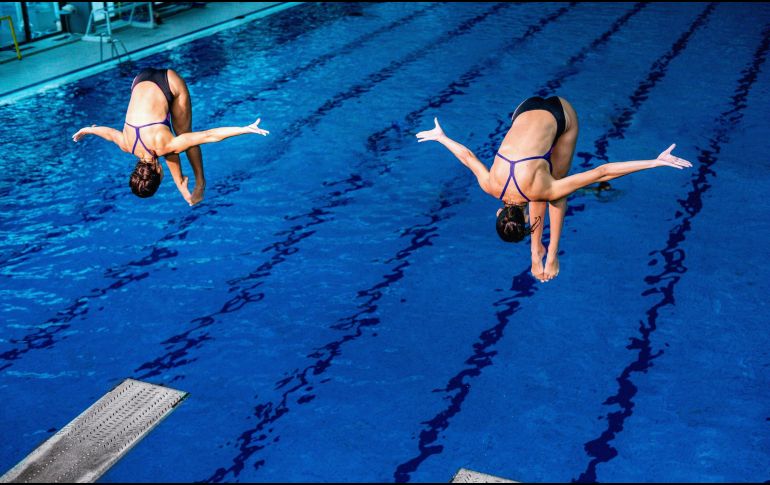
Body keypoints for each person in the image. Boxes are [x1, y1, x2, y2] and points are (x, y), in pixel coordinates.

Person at [415, 96, 691, 282]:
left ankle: (548, 252)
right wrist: (441, 137)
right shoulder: (490, 185)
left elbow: (601, 173)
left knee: (556, 188)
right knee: (547, 188)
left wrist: (655, 162)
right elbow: (467, 157)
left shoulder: (543, 191)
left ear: (525, 220)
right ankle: (538, 252)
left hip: (562, 115)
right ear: (498, 212)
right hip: (524, 109)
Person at [72, 67, 269, 205]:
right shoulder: (126, 145)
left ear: (158, 172)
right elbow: (107, 133)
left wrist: (245, 129)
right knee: (171, 146)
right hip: (140, 78)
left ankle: (200, 181)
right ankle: (183, 186)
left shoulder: (166, 146)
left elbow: (209, 136)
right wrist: (88, 130)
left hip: (169, 81)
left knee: (184, 136)